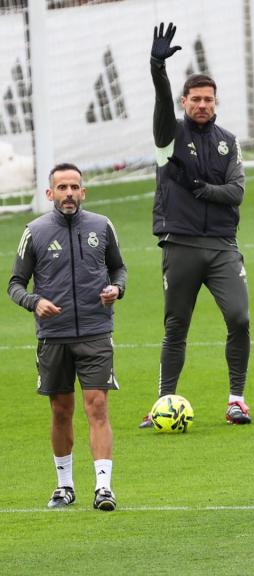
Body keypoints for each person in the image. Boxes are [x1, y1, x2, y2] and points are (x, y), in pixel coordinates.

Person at [139, 22, 251, 427]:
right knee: (176, 326)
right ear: (184, 102)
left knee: (239, 318)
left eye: (208, 99)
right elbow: (160, 105)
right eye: (195, 99)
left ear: (216, 103)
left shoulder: (229, 141)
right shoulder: (168, 137)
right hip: (181, 243)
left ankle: (236, 399)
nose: (202, 105)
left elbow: (236, 192)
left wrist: (201, 188)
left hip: (222, 244)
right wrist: (158, 68)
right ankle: (163, 404)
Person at [8, 163, 126, 511]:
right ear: (50, 194)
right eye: (62, 188)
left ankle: (103, 488)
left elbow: (119, 267)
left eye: (75, 187)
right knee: (61, 410)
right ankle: (64, 486)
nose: (69, 193)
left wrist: (116, 289)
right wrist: (35, 302)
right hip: (54, 336)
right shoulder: (35, 231)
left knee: (98, 406)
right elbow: (15, 284)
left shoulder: (101, 226)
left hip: (95, 330)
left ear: (83, 192)